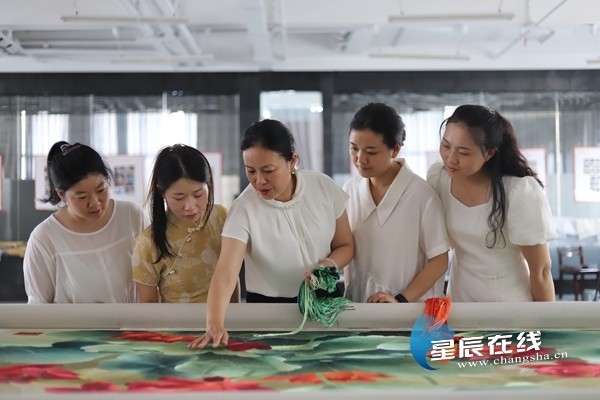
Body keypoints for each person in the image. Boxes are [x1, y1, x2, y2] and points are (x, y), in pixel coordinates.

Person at [189, 119, 354, 348]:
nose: (259, 181)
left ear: (292, 161)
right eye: (251, 171)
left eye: (268, 170)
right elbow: (226, 273)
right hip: (267, 311)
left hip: (325, 303)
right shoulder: (243, 209)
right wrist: (214, 323)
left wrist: (327, 265)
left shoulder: (323, 187)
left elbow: (346, 246)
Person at [427, 105, 557, 302]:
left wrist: (548, 320)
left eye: (463, 152)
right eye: (446, 146)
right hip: (459, 301)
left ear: (489, 153)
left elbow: (541, 271)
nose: (451, 159)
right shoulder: (439, 179)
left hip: (508, 305)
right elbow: (447, 242)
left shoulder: (518, 191)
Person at [343, 102, 449, 303]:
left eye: (371, 152)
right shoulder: (349, 190)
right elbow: (348, 250)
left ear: (395, 149)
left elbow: (439, 260)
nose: (360, 159)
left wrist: (400, 301)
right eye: (354, 148)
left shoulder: (421, 194)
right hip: (361, 310)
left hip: (409, 311)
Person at [23, 141, 147, 303]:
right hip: (74, 321)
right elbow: (38, 304)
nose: (95, 203)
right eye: (82, 197)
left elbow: (156, 275)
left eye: (101, 190)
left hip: (134, 319)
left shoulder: (132, 216)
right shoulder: (44, 238)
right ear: (61, 195)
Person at [132, 144, 236, 303]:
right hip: (177, 320)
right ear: (161, 192)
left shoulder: (221, 217)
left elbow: (231, 276)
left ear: (208, 185)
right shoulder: (147, 243)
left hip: (226, 318)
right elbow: (149, 307)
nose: (190, 206)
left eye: (198, 195)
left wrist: (237, 315)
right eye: (179, 198)